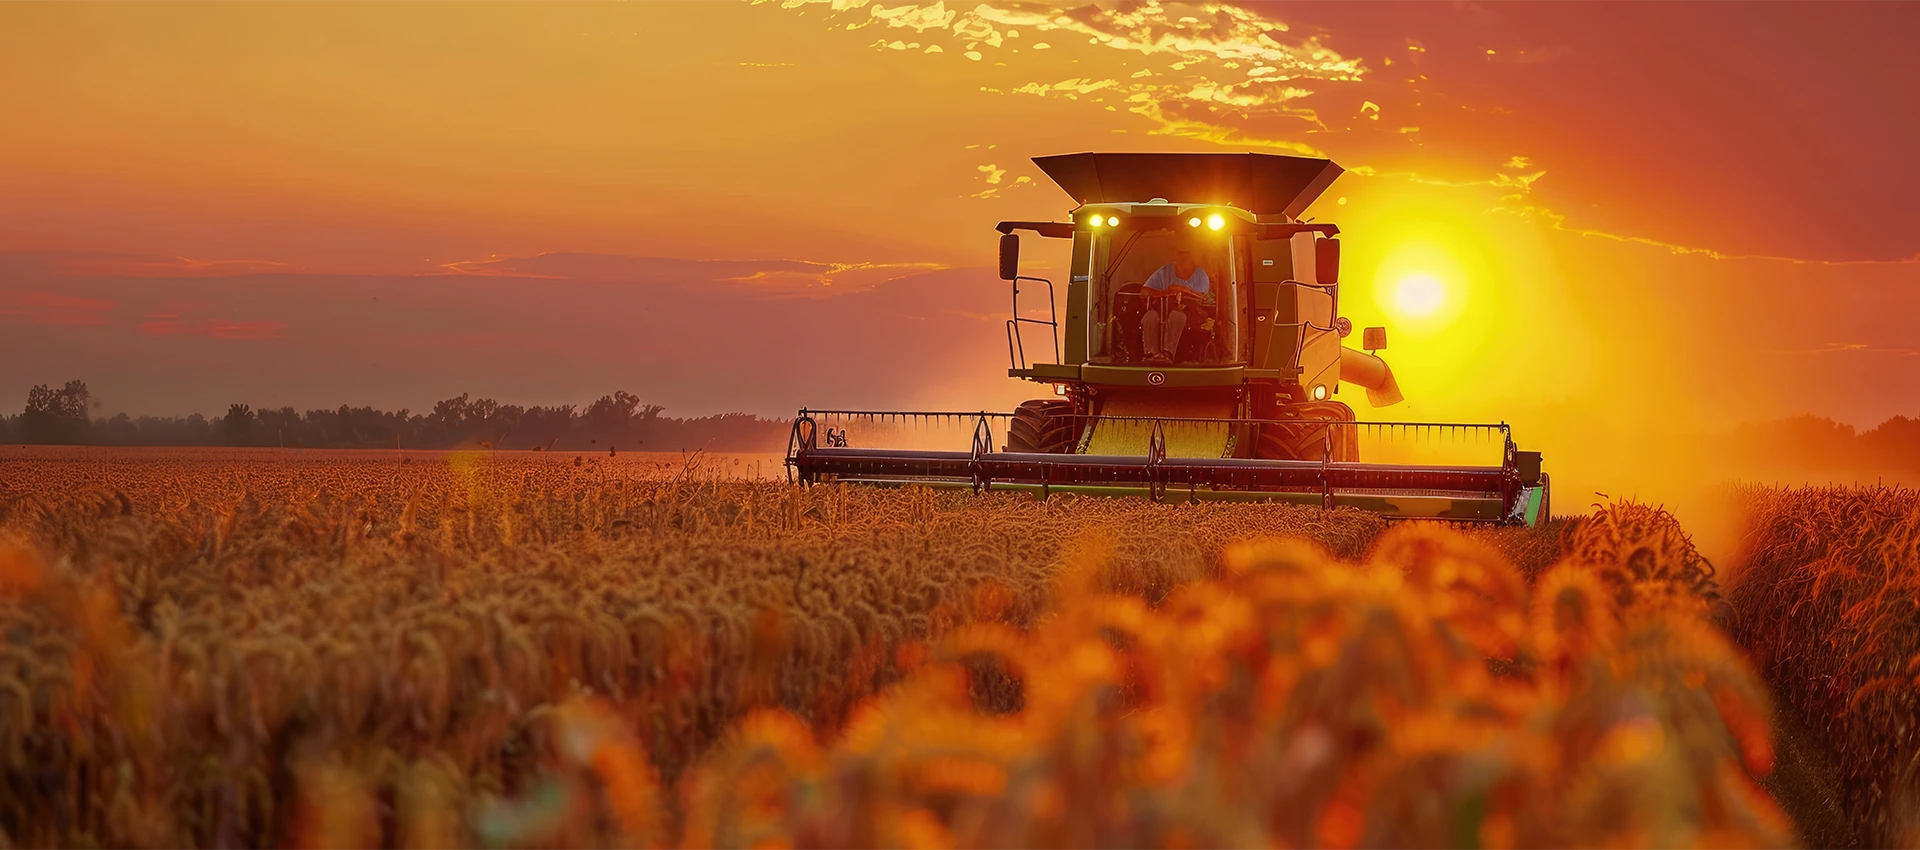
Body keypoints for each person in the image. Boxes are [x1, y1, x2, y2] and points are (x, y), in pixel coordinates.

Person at [1140, 250, 1210, 363]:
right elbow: (1144, 291)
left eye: (1185, 259)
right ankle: (1152, 354)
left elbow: (1202, 298)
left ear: (1192, 261)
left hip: (1187, 313)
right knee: (1150, 316)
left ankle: (1168, 353)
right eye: (1178, 259)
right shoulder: (1164, 271)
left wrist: (1183, 291)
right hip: (1161, 308)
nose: (1181, 262)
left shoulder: (1200, 275)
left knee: (1177, 316)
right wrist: (1164, 293)